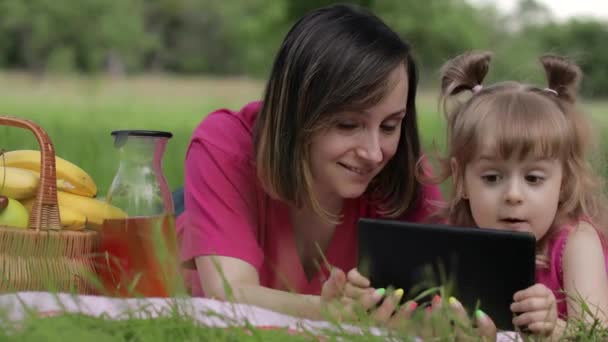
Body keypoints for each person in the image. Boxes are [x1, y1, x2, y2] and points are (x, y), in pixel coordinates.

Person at [175, 3, 446, 323]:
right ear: (295, 113)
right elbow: (229, 293)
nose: (374, 154)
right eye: (347, 125)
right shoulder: (224, 145)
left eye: (389, 126)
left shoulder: (407, 175)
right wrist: (326, 310)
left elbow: (446, 299)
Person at [427, 51, 608, 339]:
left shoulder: (576, 244)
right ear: (460, 178)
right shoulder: (455, 240)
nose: (513, 195)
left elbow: (598, 334)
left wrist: (555, 329)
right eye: (492, 177)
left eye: (533, 178)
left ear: (563, 183)